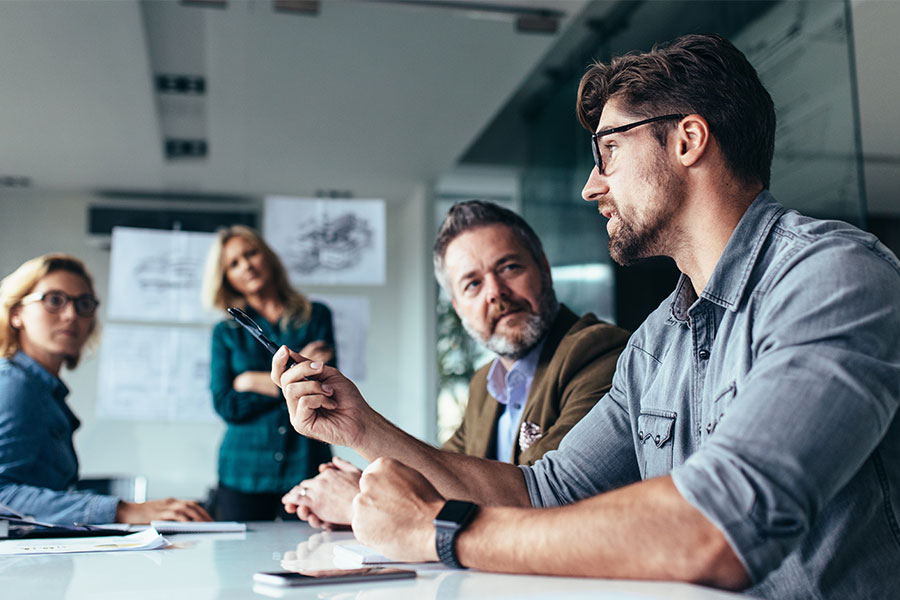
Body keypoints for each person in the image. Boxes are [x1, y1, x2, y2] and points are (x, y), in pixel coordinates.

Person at [271, 33, 900, 598]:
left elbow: (720, 527)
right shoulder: (658, 341)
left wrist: (443, 534)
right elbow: (542, 492)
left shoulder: (831, 276)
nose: (590, 186)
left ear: (687, 140)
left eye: (608, 152)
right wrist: (359, 426)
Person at [281, 201, 630, 528]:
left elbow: (540, 500)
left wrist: (361, 501)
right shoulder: (485, 384)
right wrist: (369, 484)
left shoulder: (599, 353)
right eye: (473, 284)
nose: (495, 292)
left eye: (509, 267)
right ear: (457, 306)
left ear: (544, 267)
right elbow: (442, 476)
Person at [0, 254, 212, 525]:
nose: (71, 314)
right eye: (54, 300)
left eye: (84, 304)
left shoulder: (44, 391)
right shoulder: (13, 385)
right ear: (16, 313)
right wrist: (122, 510)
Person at [202, 225, 335, 521]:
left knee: (311, 556)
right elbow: (226, 404)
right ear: (226, 278)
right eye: (234, 263)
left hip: (306, 464)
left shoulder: (316, 316)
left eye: (251, 254)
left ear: (268, 257)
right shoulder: (226, 333)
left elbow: (323, 388)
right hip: (243, 471)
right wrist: (292, 381)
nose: (246, 265)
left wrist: (249, 381)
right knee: (238, 563)